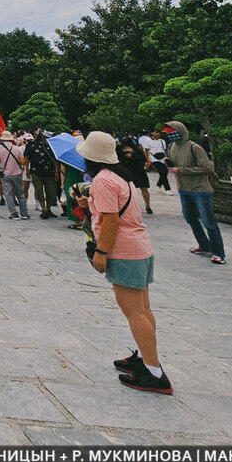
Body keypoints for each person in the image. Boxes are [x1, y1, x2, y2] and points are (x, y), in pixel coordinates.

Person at [76, 131, 172, 394]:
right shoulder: (120, 175)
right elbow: (118, 209)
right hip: (140, 247)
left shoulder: (103, 181)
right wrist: (91, 202)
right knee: (143, 308)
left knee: (135, 312)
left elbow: (111, 221)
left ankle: (154, 372)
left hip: (124, 251)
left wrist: (101, 252)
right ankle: (145, 358)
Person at [163, 120, 227, 265]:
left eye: (172, 133)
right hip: (184, 189)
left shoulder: (194, 147)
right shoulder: (172, 147)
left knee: (208, 221)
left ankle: (218, 253)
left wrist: (181, 170)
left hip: (200, 190)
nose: (170, 136)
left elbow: (207, 168)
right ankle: (204, 245)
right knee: (190, 218)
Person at [25, 129, 63, 219]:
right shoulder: (31, 144)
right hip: (36, 171)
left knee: (51, 191)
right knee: (39, 190)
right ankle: (43, 209)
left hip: (50, 171)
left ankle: (48, 209)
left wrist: (57, 171)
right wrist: (27, 169)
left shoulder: (51, 145)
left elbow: (55, 159)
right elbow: (27, 157)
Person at [0, 131, 29, 220]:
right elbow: (22, 162)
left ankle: (14, 214)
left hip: (5, 173)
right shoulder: (18, 149)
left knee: (8, 194)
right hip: (17, 173)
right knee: (20, 194)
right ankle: (24, 214)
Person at [118, 137, 153, 215]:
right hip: (139, 171)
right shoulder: (137, 150)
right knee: (144, 190)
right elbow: (143, 159)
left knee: (128, 191)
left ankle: (131, 207)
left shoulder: (120, 151)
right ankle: (148, 206)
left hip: (128, 172)